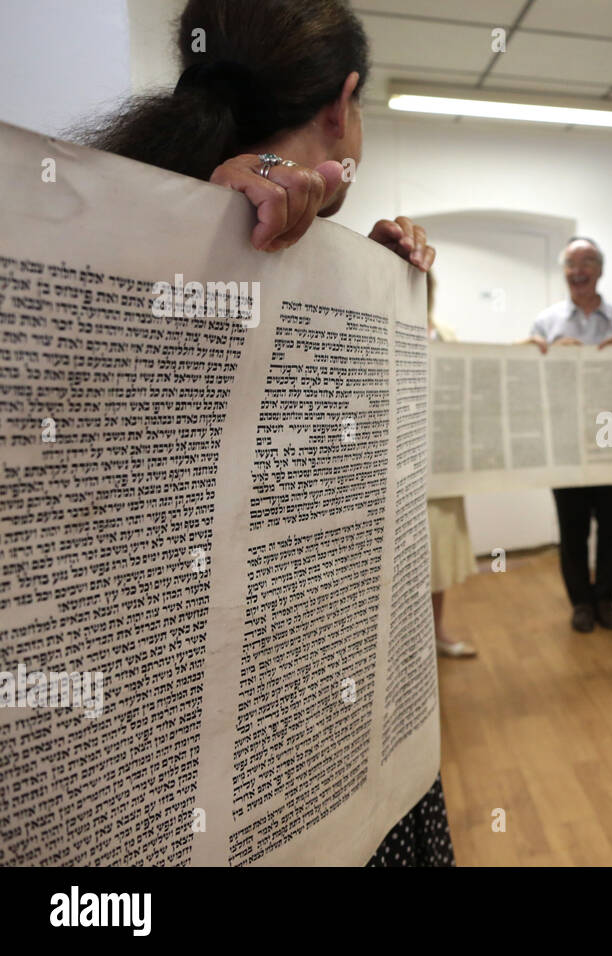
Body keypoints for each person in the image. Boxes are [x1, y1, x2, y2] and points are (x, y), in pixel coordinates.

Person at [83, 0, 452, 866]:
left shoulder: (116, 229)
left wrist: (380, 296)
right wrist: (196, 241)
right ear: (343, 102)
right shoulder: (176, 232)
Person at [527, 237, 612, 633]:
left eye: (588, 262)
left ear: (600, 270)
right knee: (572, 529)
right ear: (564, 272)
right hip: (568, 441)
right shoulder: (546, 323)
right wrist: (551, 355)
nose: (579, 270)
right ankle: (580, 602)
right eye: (571, 264)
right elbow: (527, 382)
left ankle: (607, 600)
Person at [426, 273, 479, 659]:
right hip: (395, 470)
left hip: (442, 466)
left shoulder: (444, 333)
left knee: (438, 555)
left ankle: (436, 633)